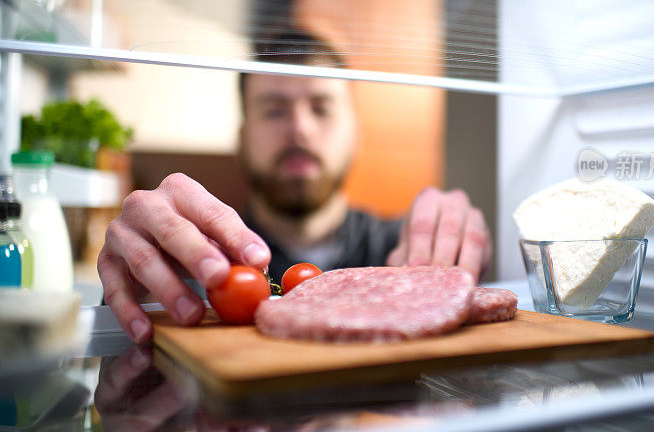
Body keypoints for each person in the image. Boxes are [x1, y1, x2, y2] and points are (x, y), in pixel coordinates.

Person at [98, 29, 493, 344]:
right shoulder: (201, 263)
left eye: (321, 108)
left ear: (355, 134)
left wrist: (459, 238)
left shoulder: (405, 251)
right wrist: (140, 279)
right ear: (242, 137)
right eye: (274, 110)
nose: (300, 128)